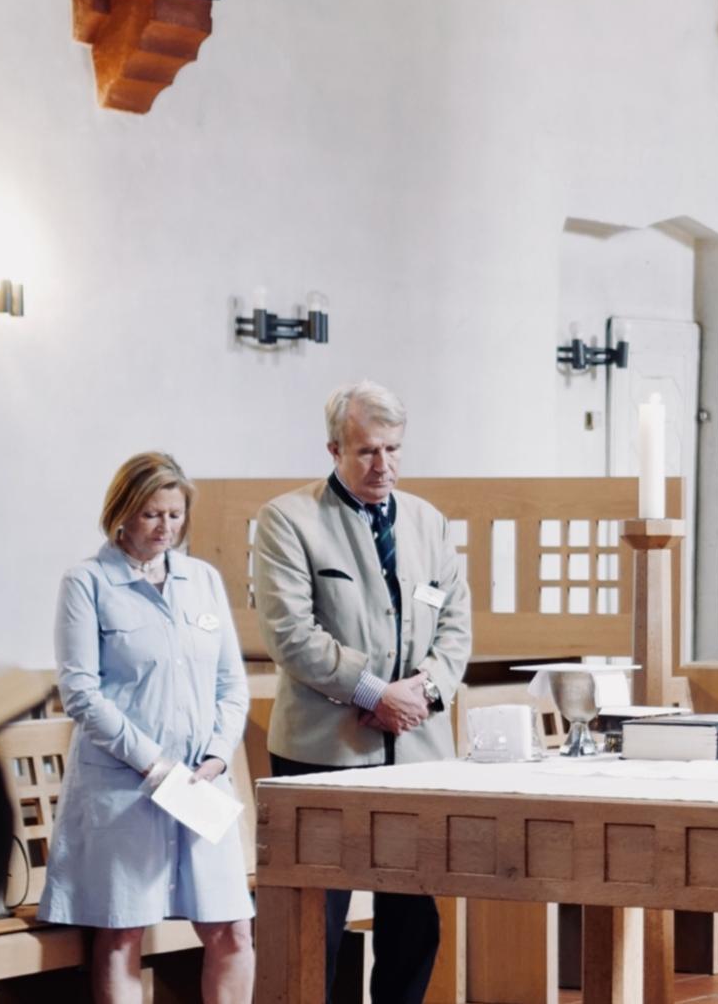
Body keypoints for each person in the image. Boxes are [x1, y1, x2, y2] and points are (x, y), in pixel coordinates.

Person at [253, 382, 472, 1004]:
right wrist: (374, 692)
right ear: (334, 449)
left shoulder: (429, 522)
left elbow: (456, 627)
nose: (384, 466)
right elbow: (292, 635)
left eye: (394, 450)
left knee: (412, 918)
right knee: (317, 919)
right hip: (325, 753)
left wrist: (423, 692)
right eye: (368, 452)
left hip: (417, 752)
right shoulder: (288, 520)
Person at [41, 453, 253, 1004]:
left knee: (232, 928)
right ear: (122, 513)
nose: (165, 528)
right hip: (125, 785)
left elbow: (232, 684)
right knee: (121, 932)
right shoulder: (86, 582)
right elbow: (81, 692)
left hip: (202, 785)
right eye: (152, 515)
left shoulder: (202, 579)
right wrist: (154, 763)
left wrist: (216, 756)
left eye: (175, 515)